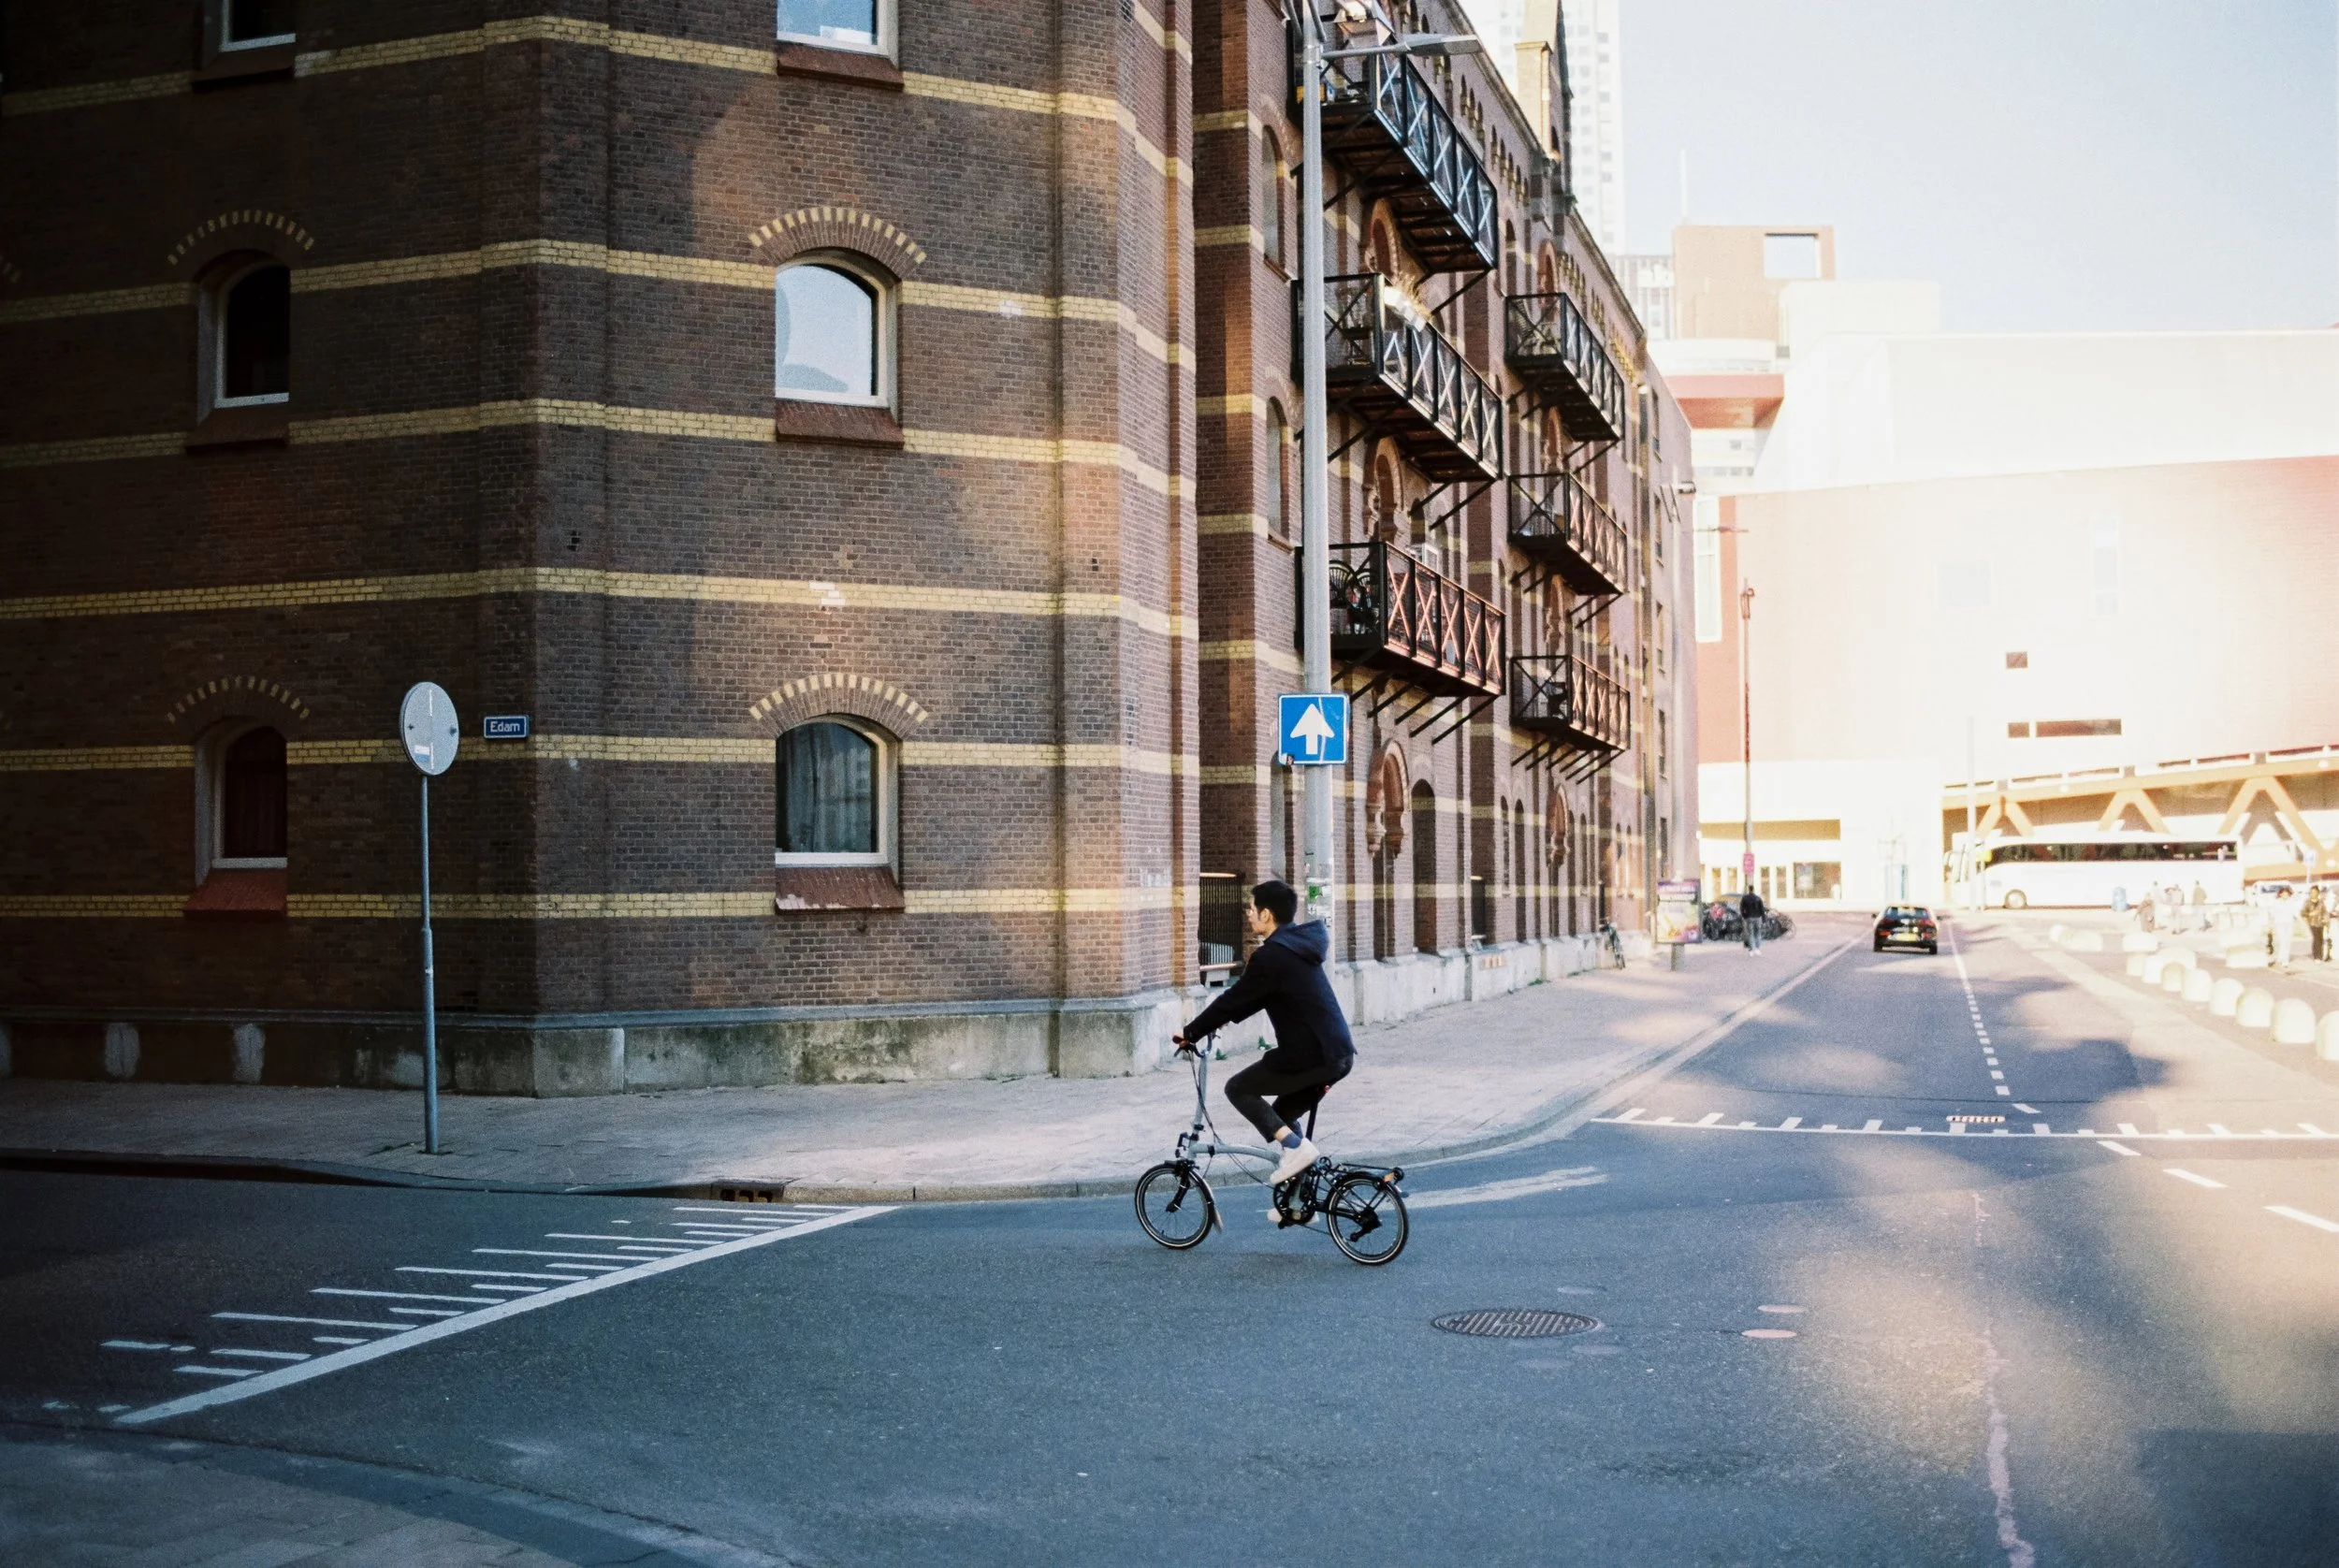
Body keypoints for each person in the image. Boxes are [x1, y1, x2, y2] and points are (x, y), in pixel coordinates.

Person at [1171, 879, 1355, 1193]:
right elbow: (1256, 998)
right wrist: (1219, 1022)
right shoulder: (1297, 946)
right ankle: (1298, 1201)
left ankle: (1298, 1152)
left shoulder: (1272, 956)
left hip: (1311, 1055)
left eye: (1252, 908)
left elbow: (1234, 999)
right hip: (1338, 1054)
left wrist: (1192, 1032)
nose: (1248, 914)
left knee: (1238, 1088)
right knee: (1279, 1116)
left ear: (1267, 914)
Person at [2271, 885, 2298, 968]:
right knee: (2283, 940)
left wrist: (2297, 919)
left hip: (2289, 923)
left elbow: (2295, 913)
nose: (2285, 896)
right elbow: (2272, 913)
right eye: (2284, 894)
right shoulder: (2276, 902)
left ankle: (2282, 958)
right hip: (2279, 923)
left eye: (2287, 894)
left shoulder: (2291, 902)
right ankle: (2283, 959)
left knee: (2287, 941)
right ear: (2280, 894)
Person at [2306, 885, 2330, 963]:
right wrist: (2310, 914)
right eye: (2312, 892)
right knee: (2316, 939)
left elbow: (2325, 912)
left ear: (2318, 893)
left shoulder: (2321, 902)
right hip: (2312, 923)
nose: (2313, 894)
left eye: (2315, 892)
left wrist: (2325, 919)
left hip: (2321, 923)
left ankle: (2321, 954)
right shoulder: (2307, 902)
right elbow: (2303, 913)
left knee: (2320, 939)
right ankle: (2317, 956)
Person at [1739, 884, 1765, 952]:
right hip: (1758, 917)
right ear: (1753, 890)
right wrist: (1764, 918)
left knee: (1751, 933)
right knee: (1758, 933)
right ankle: (1757, 948)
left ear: (1749, 889)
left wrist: (1744, 916)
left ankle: (1751, 949)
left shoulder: (1745, 898)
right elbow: (1762, 909)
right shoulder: (1758, 898)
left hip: (1749, 917)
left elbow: (1741, 908)